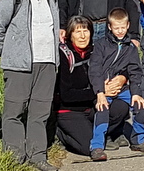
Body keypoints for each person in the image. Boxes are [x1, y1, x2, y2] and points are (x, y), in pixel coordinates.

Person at [0, 0, 60, 171]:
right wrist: (8, 52)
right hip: (19, 64)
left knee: (40, 112)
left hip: (47, 62)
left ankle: (37, 156)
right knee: (14, 111)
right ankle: (13, 156)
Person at [55, 16, 132, 156]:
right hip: (70, 110)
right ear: (69, 35)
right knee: (89, 147)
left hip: (92, 107)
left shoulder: (97, 50)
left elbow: (121, 66)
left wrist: (122, 77)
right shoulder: (64, 55)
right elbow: (66, 95)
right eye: (77, 32)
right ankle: (61, 134)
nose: (83, 36)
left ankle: (104, 133)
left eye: (86, 31)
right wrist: (99, 92)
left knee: (121, 107)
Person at [88, 9, 144, 160]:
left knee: (140, 106)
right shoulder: (100, 45)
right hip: (103, 88)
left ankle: (138, 139)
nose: (120, 31)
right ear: (109, 27)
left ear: (128, 25)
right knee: (102, 109)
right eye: (116, 28)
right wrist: (100, 93)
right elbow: (95, 70)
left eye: (123, 28)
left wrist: (136, 93)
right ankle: (97, 146)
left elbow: (135, 71)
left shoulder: (130, 48)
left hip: (123, 88)